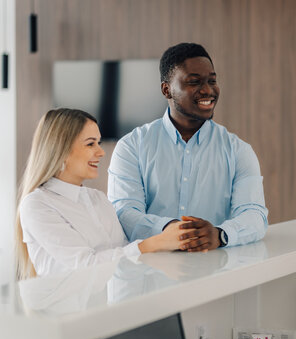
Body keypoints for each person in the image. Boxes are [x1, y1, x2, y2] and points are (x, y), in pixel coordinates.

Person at [107, 43, 268, 252]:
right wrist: (173, 231)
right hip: (148, 275)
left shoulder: (238, 150)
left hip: (218, 272)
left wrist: (220, 234)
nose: (208, 90)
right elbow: (124, 212)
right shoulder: (131, 147)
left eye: (212, 81)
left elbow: (254, 215)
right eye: (194, 82)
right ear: (167, 90)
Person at [15, 109, 189, 280]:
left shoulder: (97, 198)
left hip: (109, 305)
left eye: (98, 142)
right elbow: (84, 266)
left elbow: (123, 254)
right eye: (91, 144)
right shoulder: (37, 204)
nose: (101, 152)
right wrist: (154, 243)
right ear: (61, 149)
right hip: (64, 308)